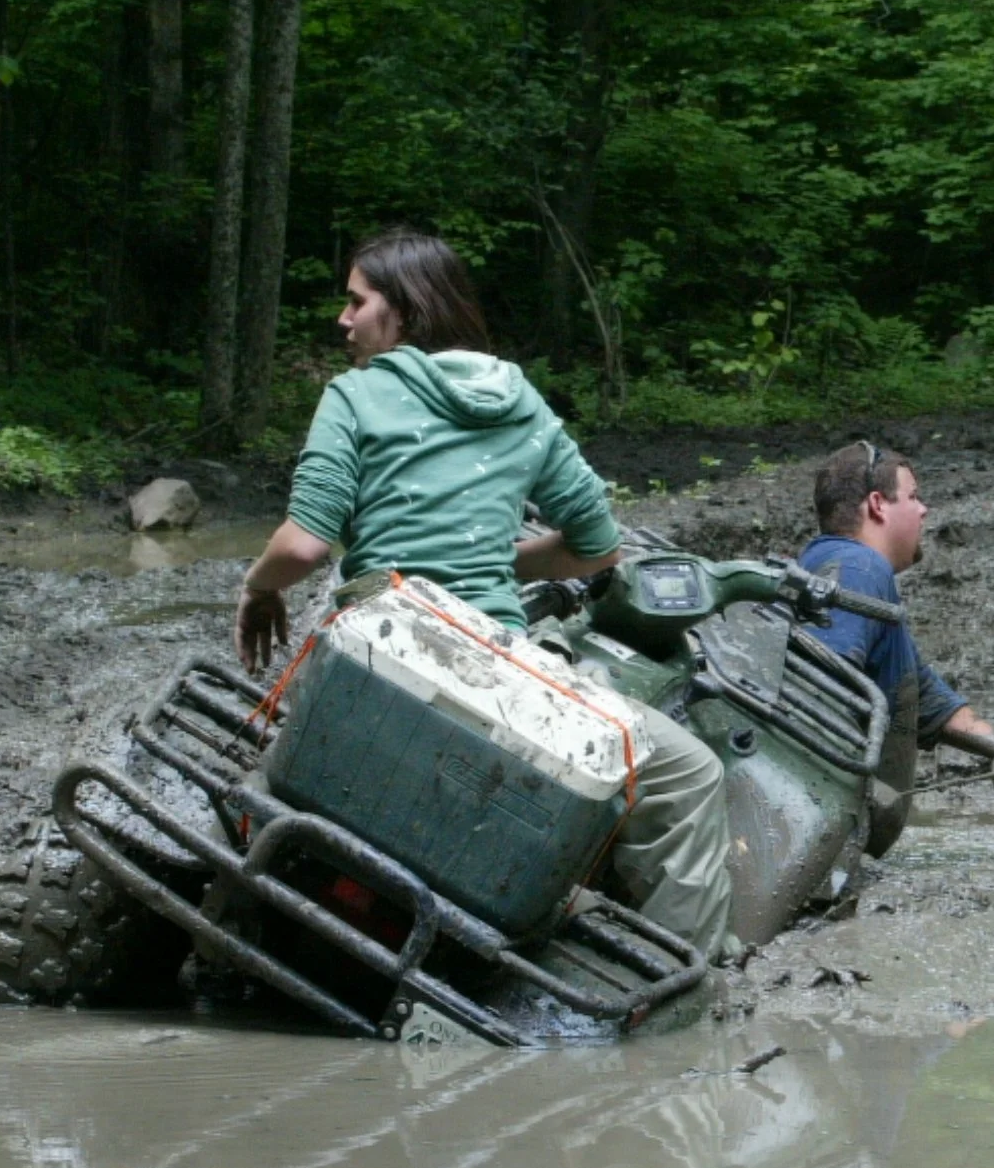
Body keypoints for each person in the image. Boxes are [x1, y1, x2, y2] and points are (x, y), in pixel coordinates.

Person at [233, 228, 734, 959]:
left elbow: (304, 547)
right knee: (691, 773)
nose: (343, 320)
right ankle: (670, 981)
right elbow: (599, 546)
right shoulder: (520, 404)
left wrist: (256, 587)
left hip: (380, 657)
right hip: (504, 678)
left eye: (357, 302)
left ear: (405, 310)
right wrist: (502, 566)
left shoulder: (357, 395)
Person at [797, 442, 994, 813]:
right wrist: (857, 786)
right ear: (878, 504)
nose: (923, 509)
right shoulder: (860, 567)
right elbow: (817, 684)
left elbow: (924, 694)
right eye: (912, 497)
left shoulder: (834, 566)